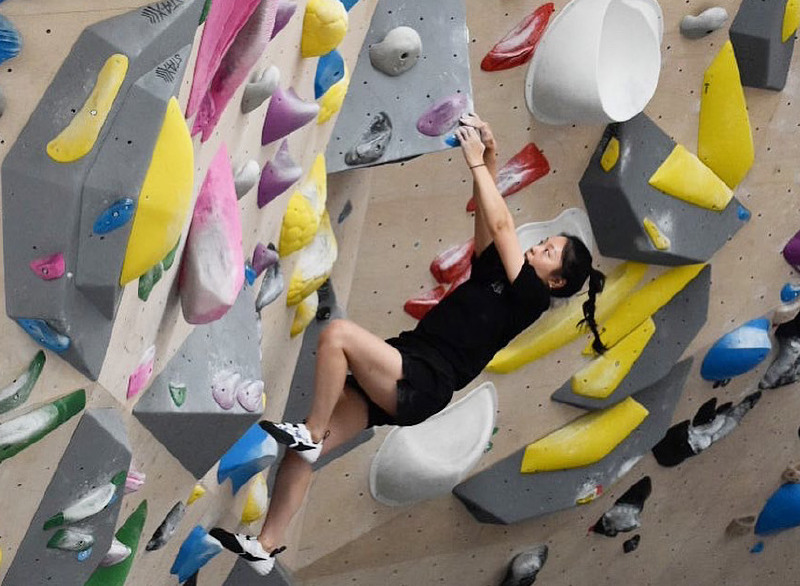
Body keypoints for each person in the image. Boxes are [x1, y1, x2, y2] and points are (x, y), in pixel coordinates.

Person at [210, 113, 607, 574]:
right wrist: (490, 158)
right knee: (301, 457)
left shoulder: (532, 298)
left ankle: (314, 432)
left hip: (426, 379)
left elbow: (503, 227)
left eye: (549, 251)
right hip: (412, 359)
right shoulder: (497, 274)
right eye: (545, 244)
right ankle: (267, 544)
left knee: (337, 337)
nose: (538, 247)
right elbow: (487, 219)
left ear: (556, 282)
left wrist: (478, 164)